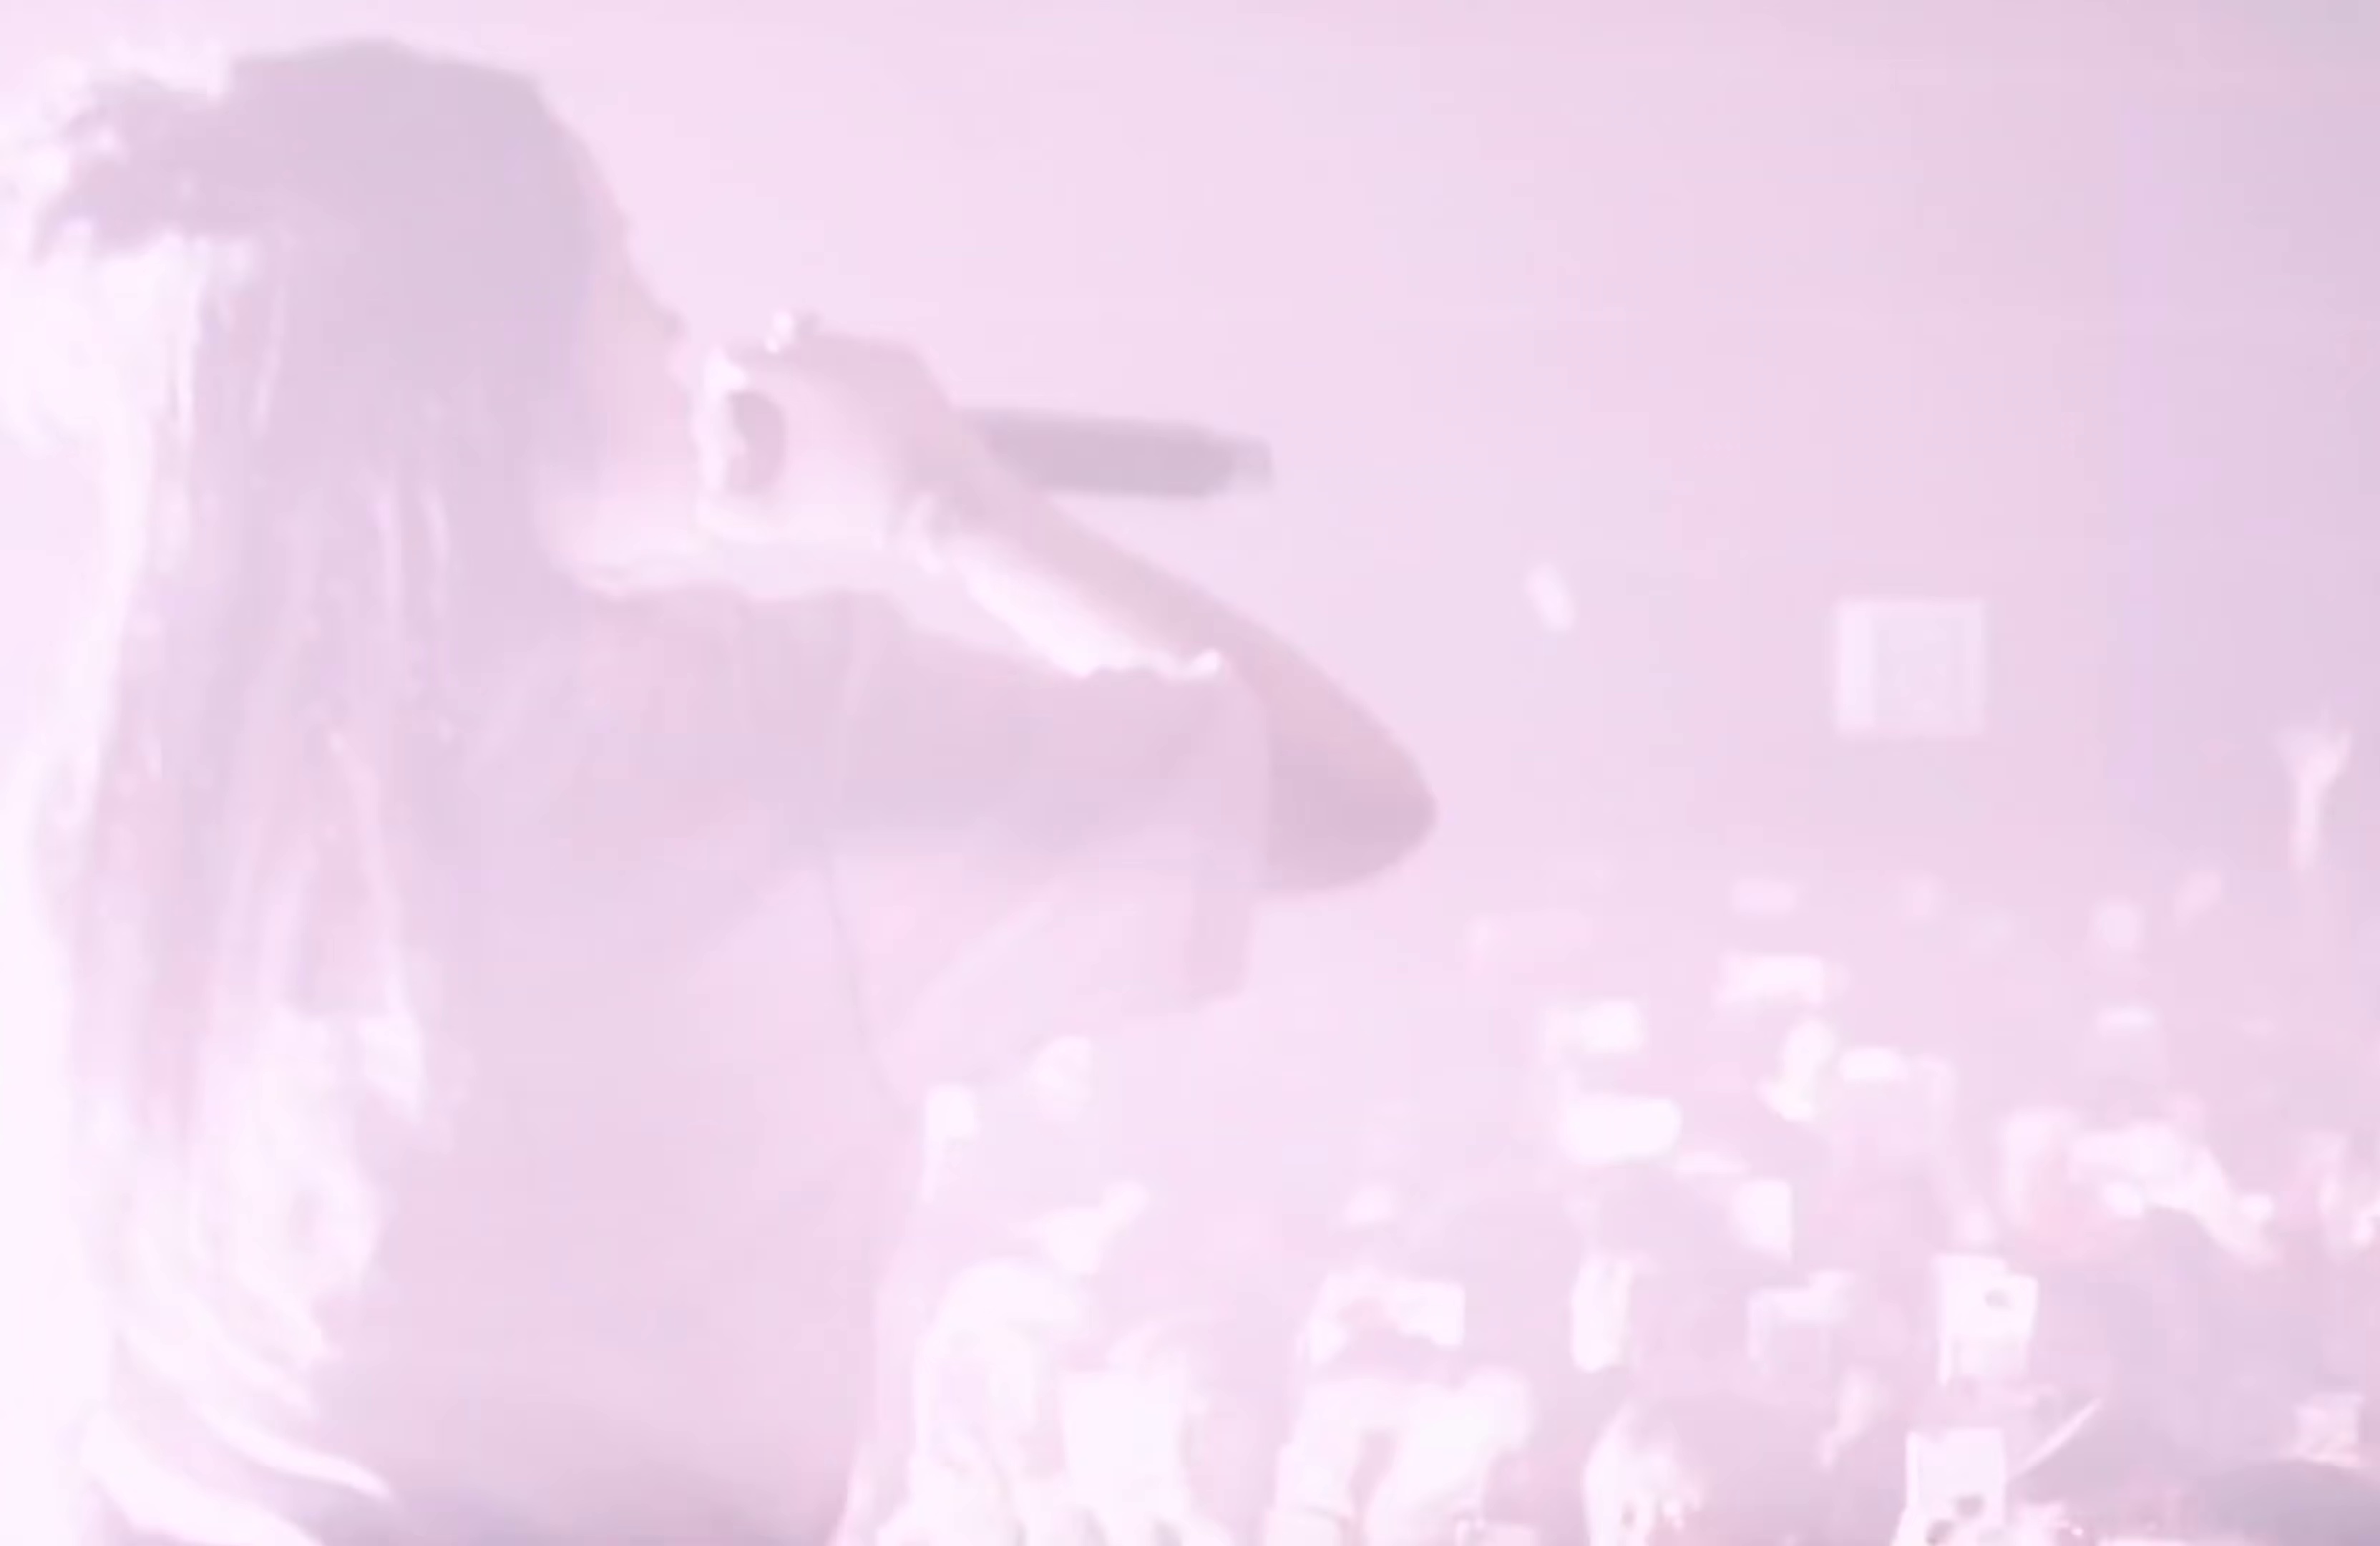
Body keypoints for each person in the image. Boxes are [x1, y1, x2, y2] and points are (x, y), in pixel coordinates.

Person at [0, 37, 1431, 1546]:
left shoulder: (106, 787)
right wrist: (944, 504)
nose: (684, 336)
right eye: (625, 279)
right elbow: (1341, 796)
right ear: (506, 365)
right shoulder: (755, 745)